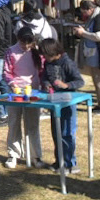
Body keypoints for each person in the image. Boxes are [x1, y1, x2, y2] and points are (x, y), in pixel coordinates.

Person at [38, 37, 85, 173]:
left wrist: (66, 85)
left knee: (67, 133)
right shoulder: (48, 63)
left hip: (68, 102)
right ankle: (59, 161)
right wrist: (46, 84)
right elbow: (45, 77)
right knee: (56, 132)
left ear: (53, 52)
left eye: (46, 55)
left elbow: (80, 81)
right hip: (55, 102)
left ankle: (70, 163)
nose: (44, 58)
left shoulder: (67, 63)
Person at [2, 27, 46, 169]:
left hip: (33, 92)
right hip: (15, 92)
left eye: (29, 43)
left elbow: (41, 69)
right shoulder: (11, 51)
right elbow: (7, 72)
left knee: (32, 124)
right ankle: (13, 154)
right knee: (14, 122)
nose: (26, 46)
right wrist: (12, 84)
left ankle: (35, 155)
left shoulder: (37, 52)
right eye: (23, 43)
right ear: (18, 40)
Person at [73, 0, 100, 115]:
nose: (83, 15)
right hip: (95, 54)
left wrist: (83, 33)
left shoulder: (99, 18)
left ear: (90, 9)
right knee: (97, 80)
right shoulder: (95, 17)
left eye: (84, 12)